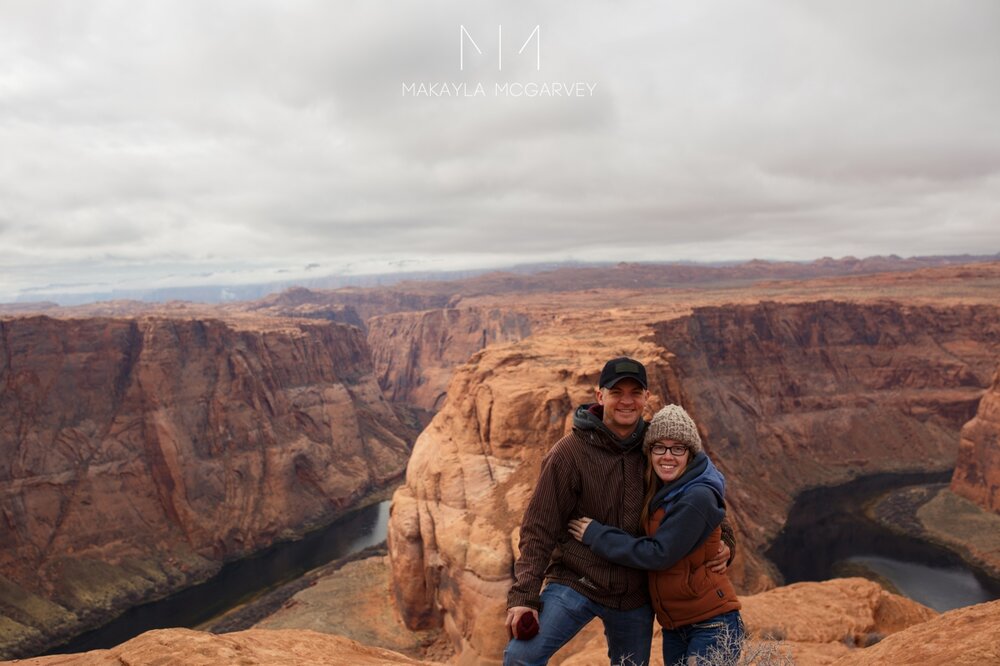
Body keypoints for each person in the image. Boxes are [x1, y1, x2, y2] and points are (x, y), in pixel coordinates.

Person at [504, 357, 735, 666]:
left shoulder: (657, 447)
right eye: (617, 392)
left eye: (635, 393)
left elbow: (699, 493)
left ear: (646, 398)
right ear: (601, 396)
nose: (626, 401)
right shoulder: (569, 453)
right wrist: (524, 598)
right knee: (521, 657)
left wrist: (727, 542)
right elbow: (539, 528)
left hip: (634, 597)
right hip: (577, 581)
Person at [568, 404, 743, 666]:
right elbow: (715, 521)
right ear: (649, 451)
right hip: (677, 627)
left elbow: (658, 554)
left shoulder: (695, 496)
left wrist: (596, 535)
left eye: (678, 448)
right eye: (659, 447)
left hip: (712, 625)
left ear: (690, 453)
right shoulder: (664, 487)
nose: (667, 456)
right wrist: (727, 541)